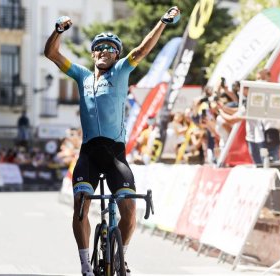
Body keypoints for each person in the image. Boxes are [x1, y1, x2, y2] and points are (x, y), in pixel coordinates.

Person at [44, 7, 180, 275]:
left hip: (116, 154)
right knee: (81, 204)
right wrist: (58, 31)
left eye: (111, 48)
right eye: (100, 48)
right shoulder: (81, 75)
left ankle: (122, 256)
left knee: (129, 209)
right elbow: (52, 54)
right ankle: (85, 265)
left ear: (117, 54)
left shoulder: (120, 71)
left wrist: (162, 23)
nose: (104, 51)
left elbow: (141, 50)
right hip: (89, 154)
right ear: (93, 53)